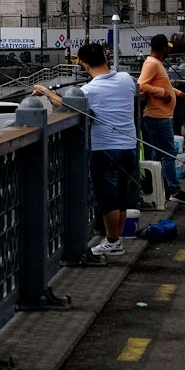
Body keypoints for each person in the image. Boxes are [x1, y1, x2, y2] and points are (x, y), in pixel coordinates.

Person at [35, 42, 138, 257]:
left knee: (108, 197)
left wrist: (45, 91)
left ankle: (112, 240)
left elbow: (65, 106)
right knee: (120, 196)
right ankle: (115, 240)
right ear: (105, 57)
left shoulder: (89, 90)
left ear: (83, 64)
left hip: (105, 149)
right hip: (129, 147)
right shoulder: (126, 79)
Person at [137, 34, 182, 201]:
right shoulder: (151, 64)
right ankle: (174, 190)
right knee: (168, 152)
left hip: (161, 115)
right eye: (167, 47)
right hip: (157, 116)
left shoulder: (156, 64)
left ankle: (157, 186)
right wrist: (163, 93)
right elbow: (141, 85)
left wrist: (175, 92)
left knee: (158, 153)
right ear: (163, 48)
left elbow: (163, 84)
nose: (168, 50)